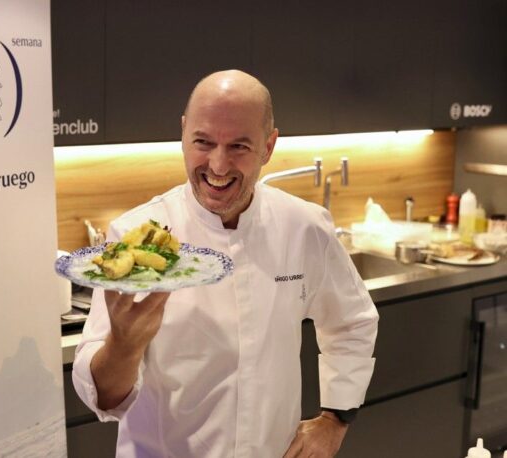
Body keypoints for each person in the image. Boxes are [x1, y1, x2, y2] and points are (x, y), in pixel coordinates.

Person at [72, 69, 379, 457]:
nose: (218, 165)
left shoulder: (304, 226)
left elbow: (353, 321)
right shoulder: (136, 238)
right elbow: (102, 397)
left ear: (268, 147)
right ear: (183, 134)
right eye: (203, 142)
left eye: (239, 146)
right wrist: (123, 344)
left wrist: (335, 419)